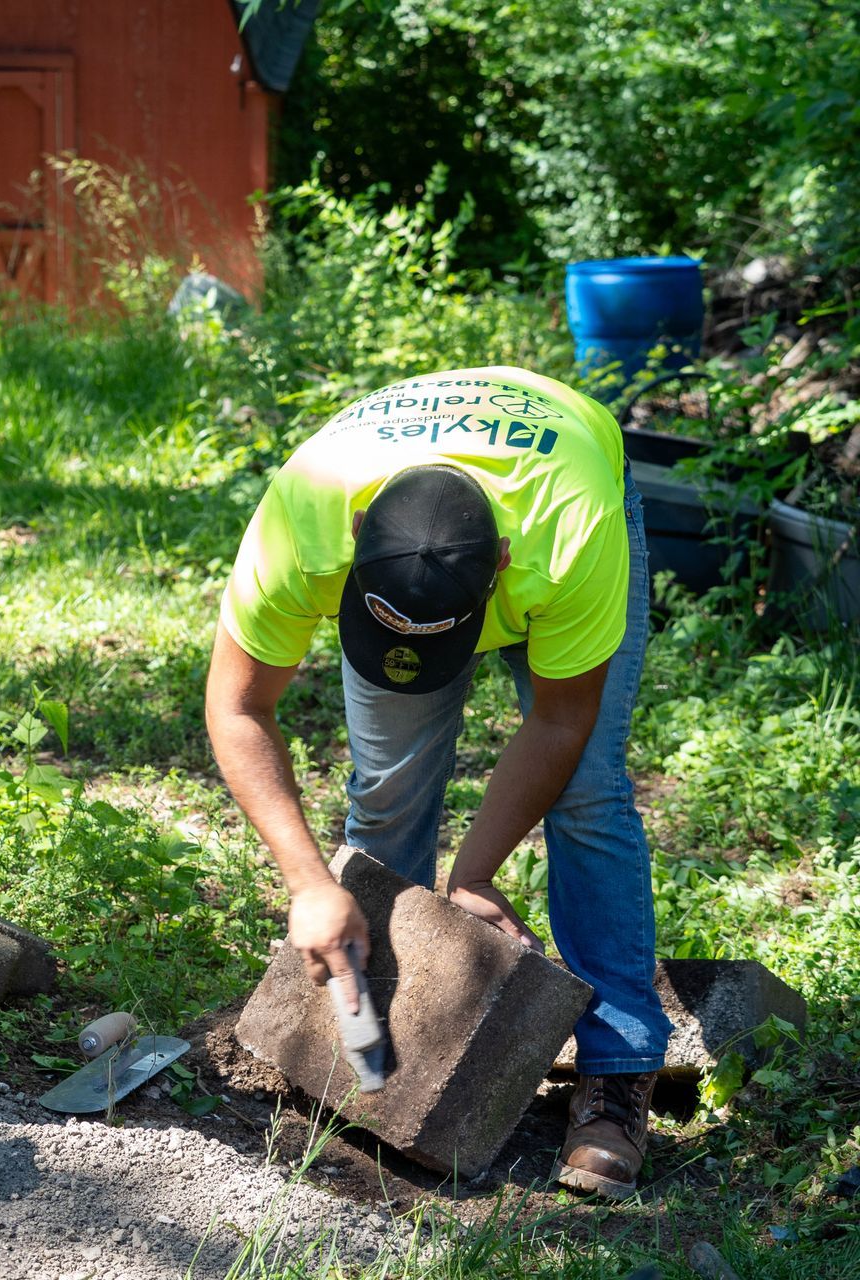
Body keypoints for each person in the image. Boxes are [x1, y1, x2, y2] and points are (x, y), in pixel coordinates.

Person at [204, 365, 671, 1198]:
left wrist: (476, 874)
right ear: (354, 540)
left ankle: (617, 1068)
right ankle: (371, 1070)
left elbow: (562, 723)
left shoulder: (572, 534)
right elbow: (237, 708)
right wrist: (309, 882)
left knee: (589, 792)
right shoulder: (306, 515)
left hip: (567, 467)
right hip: (416, 516)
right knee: (387, 790)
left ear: (498, 564)